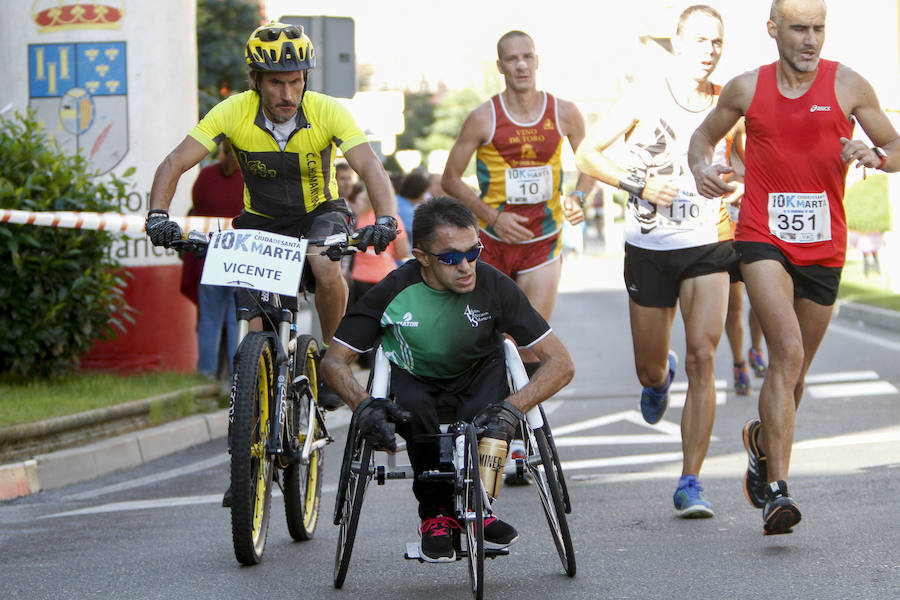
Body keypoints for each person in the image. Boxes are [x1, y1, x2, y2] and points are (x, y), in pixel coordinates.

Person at [688, 0, 900, 534]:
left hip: (825, 247)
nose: (811, 39)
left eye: (819, 28)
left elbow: (896, 145)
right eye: (799, 28)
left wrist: (876, 156)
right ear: (773, 30)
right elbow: (702, 139)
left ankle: (763, 441)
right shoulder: (745, 88)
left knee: (795, 374)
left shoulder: (849, 85)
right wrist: (701, 170)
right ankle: (778, 491)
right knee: (786, 351)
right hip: (762, 237)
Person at [144, 22, 398, 410]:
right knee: (250, 300)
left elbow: (370, 167)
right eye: (277, 83)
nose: (288, 94)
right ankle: (256, 378)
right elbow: (175, 162)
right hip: (261, 218)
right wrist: (158, 215)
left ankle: (333, 360)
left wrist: (385, 219)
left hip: (321, 212)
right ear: (256, 81)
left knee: (323, 263)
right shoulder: (233, 111)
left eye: (296, 82)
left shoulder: (327, 111)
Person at [322, 196, 575, 563]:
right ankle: (437, 517)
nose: (466, 266)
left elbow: (561, 363)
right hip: (414, 377)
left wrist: (513, 408)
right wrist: (363, 405)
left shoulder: (494, 285)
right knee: (414, 414)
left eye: (473, 252)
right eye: (451, 258)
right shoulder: (394, 289)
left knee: (489, 418)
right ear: (422, 256)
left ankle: (481, 507)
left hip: (480, 374)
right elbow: (334, 361)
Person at [575, 5, 735, 518]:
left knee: (704, 357)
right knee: (650, 368)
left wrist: (740, 187)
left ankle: (691, 481)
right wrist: (639, 184)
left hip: (708, 241)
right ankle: (658, 380)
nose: (709, 51)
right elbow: (587, 153)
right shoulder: (645, 94)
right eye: (700, 41)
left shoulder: (730, 102)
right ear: (679, 42)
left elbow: (753, 166)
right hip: (650, 247)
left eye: (717, 42)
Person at [441, 30, 594, 485]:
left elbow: (591, 160)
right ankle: (486, 425)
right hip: (491, 242)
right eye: (512, 59)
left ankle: (519, 439)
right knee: (491, 341)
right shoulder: (483, 117)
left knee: (527, 342)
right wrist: (490, 214)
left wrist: (580, 197)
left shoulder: (564, 112)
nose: (521, 65)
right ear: (501, 66)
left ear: (537, 61)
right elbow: (451, 178)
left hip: (543, 239)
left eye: (528, 57)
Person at [181, 140, 244, 379]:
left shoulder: (206, 177)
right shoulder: (247, 179)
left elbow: (196, 208)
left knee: (209, 318)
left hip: (207, 255)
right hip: (239, 257)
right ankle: (235, 378)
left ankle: (206, 374)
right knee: (236, 319)